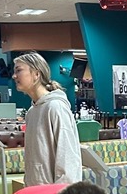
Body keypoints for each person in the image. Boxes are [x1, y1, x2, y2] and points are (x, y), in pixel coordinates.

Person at [12, 51, 82, 186]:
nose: (14, 76)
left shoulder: (56, 107)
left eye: (19, 70)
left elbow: (68, 158)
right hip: (35, 192)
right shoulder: (32, 112)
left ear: (36, 74)